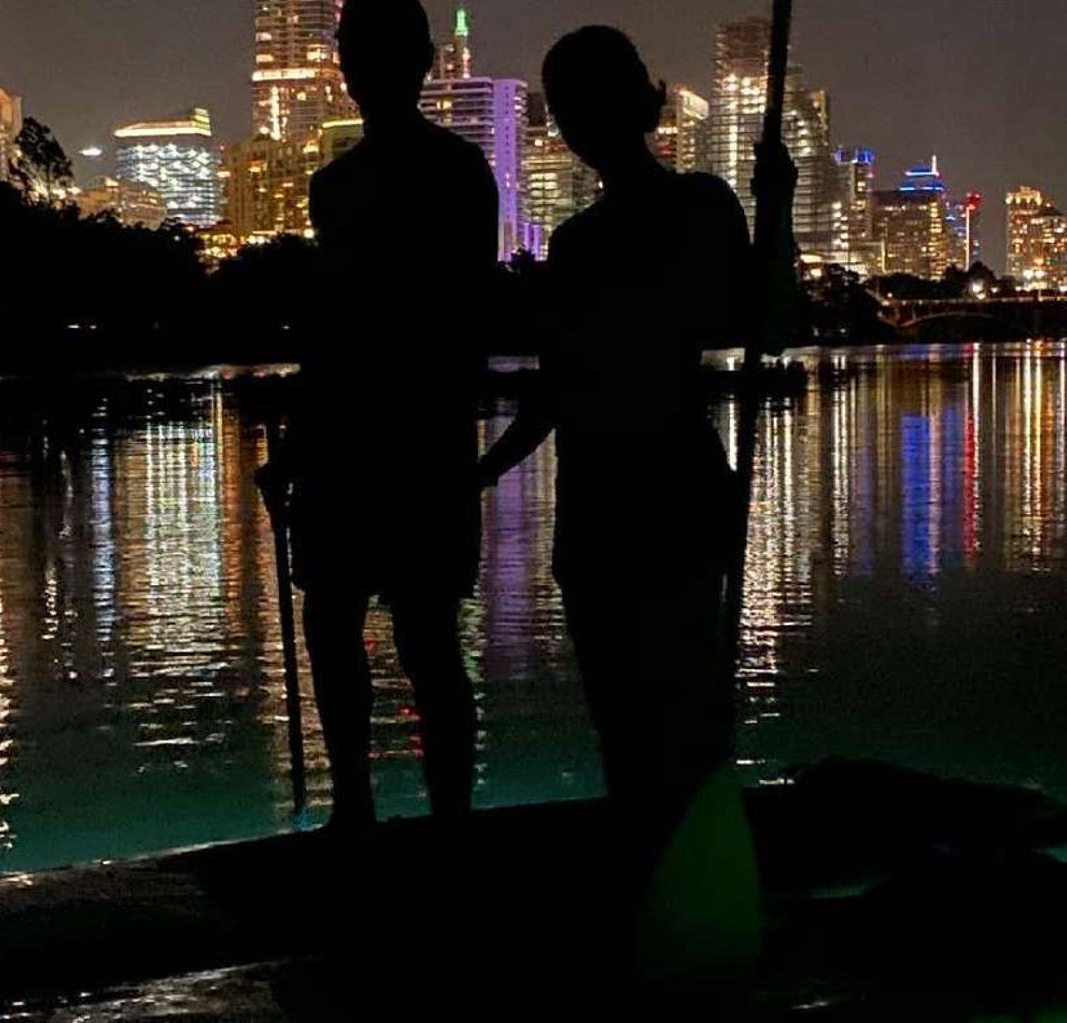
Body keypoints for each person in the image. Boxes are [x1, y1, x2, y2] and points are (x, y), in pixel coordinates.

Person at [476, 26, 800, 982]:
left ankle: (680, 909)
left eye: (580, 105)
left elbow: (757, 326)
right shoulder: (624, 230)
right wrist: (483, 473)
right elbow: (567, 386)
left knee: (661, 722)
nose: (576, 126)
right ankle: (668, 902)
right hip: (636, 495)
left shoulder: (669, 219)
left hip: (645, 493)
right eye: (566, 108)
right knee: (652, 720)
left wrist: (775, 208)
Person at [257, 0, 499, 830]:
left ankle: (403, 811)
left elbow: (386, 326)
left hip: (396, 434)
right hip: (391, 435)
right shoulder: (371, 182)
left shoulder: (412, 180)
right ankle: (395, 809)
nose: (362, 70)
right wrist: (294, 445)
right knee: (368, 625)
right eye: (355, 53)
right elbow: (344, 334)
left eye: (370, 53)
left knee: (398, 630)